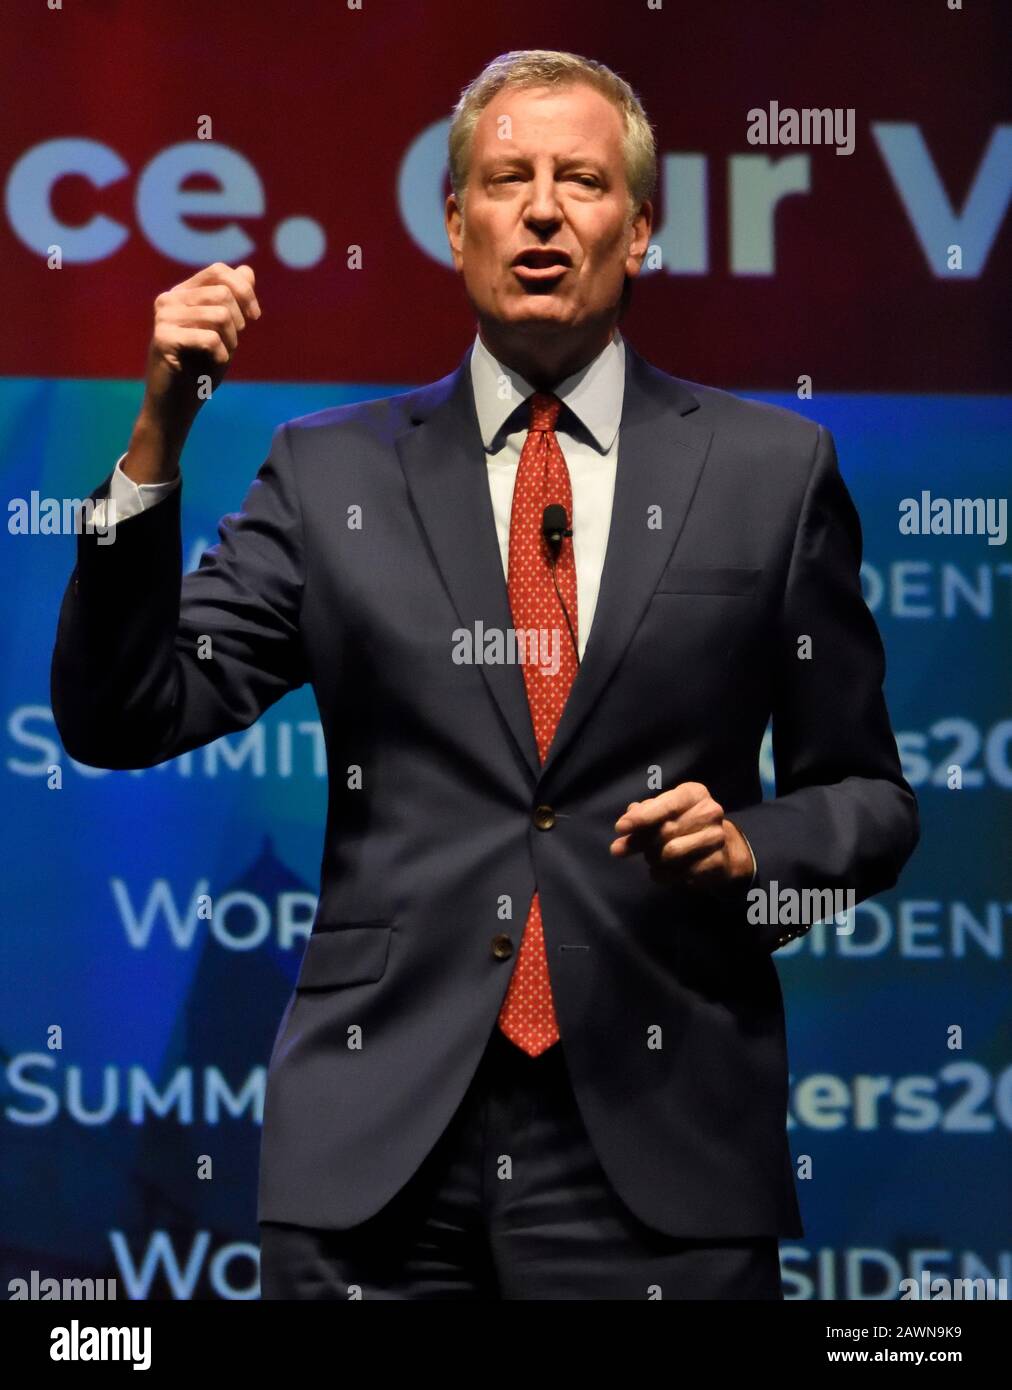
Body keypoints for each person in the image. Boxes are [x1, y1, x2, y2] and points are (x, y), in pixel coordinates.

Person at [50, 49, 919, 1299]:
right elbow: (121, 715)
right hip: (377, 1150)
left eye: (582, 180)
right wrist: (156, 433)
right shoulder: (330, 473)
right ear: (456, 224)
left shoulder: (770, 470)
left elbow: (873, 800)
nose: (544, 208)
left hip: (660, 1138)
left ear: (643, 230)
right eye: (507, 179)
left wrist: (755, 849)